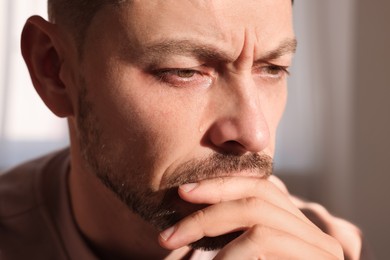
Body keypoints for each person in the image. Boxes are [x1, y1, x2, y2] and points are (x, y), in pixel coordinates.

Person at [0, 0, 372, 259]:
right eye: (184, 71)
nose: (255, 133)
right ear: (55, 71)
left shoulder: (334, 247)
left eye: (272, 68)